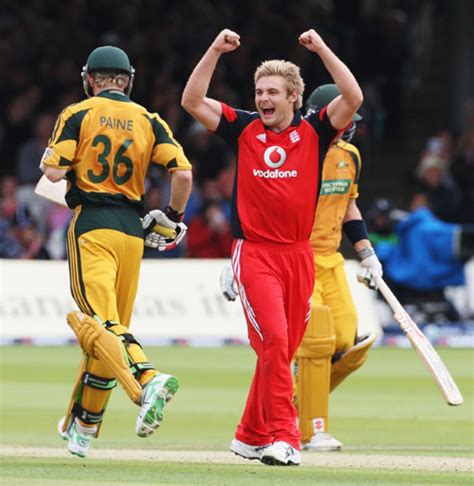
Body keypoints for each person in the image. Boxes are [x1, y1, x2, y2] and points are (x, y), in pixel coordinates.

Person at [182, 28, 362, 466]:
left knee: (277, 351)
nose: (263, 98)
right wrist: (214, 50)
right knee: (278, 342)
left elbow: (353, 97)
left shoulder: (317, 133)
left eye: (272, 92)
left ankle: (248, 435)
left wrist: (321, 49)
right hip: (257, 254)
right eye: (259, 91)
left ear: (293, 97)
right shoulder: (243, 127)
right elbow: (192, 101)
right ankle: (285, 436)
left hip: (299, 256)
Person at [40, 45, 192, 458]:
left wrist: (61, 163)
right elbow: (183, 172)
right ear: (127, 80)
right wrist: (175, 217)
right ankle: (85, 427)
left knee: (100, 323)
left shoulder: (78, 113)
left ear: (91, 79)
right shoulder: (149, 119)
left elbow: (53, 172)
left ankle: (147, 380)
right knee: (109, 330)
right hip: (132, 231)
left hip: (92, 222)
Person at [293, 85, 381, 452]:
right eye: (342, 118)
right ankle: (313, 431)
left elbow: (349, 207)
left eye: (352, 121)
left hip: (330, 258)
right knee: (317, 340)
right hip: (298, 256)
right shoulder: (298, 152)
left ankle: (286, 405)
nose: (347, 127)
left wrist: (366, 253)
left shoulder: (350, 156)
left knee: (348, 342)